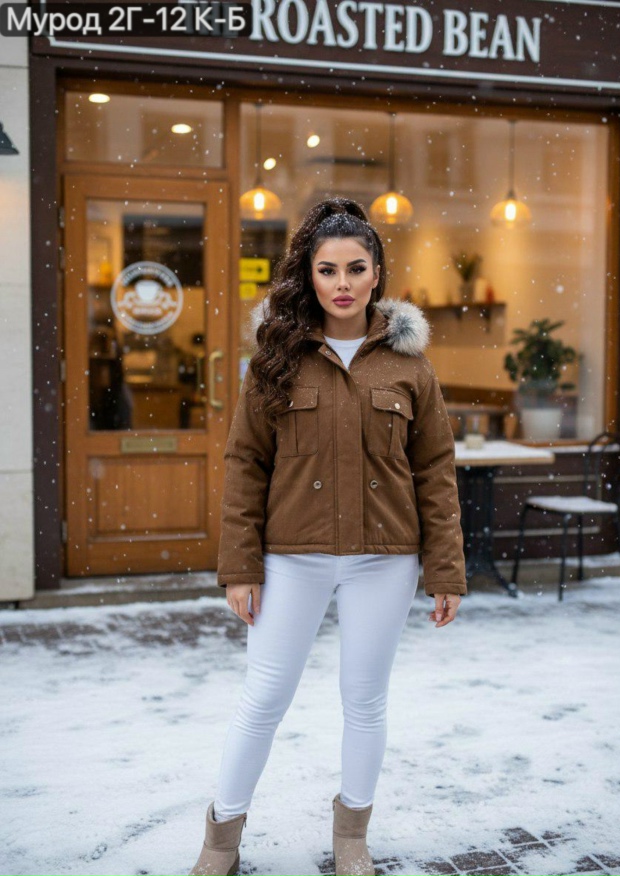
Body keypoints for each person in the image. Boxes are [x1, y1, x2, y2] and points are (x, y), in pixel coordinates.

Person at [188, 197, 467, 876]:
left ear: (377, 274)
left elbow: (434, 471)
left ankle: (352, 838)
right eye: (328, 269)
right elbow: (246, 464)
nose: (342, 283)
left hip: (384, 559)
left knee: (364, 701)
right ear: (308, 276)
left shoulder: (410, 367)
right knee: (264, 698)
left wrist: (446, 570)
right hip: (292, 558)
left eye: (355, 268)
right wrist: (240, 566)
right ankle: (220, 840)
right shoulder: (277, 358)